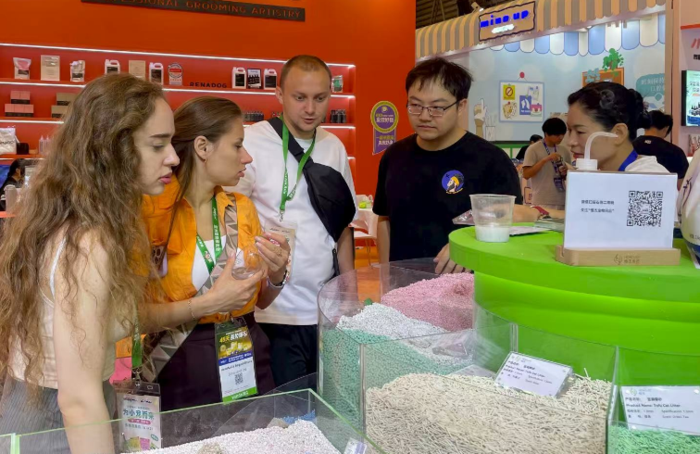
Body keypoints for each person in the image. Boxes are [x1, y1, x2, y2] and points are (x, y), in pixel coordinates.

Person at [0, 74, 185, 453]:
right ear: (114, 149)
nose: (173, 157)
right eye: (157, 144)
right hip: (55, 427)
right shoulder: (88, 242)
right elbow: (78, 400)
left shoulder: (78, 221)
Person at [141, 96, 290, 411]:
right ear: (203, 147)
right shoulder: (150, 212)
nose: (247, 157)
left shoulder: (241, 209)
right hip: (179, 363)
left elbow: (259, 300)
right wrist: (208, 304)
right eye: (237, 145)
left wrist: (277, 274)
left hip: (244, 353)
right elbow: (131, 317)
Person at [235, 55, 357, 387]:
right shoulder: (251, 142)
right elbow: (231, 218)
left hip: (324, 309)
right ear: (279, 94)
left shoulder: (333, 146)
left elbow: (342, 226)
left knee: (326, 401)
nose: (310, 109)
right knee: (284, 407)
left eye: (320, 98)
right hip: (272, 311)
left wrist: (349, 294)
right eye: (300, 97)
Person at [373, 58, 522, 273]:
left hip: (466, 286)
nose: (424, 116)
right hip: (403, 284)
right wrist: (386, 274)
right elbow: (385, 218)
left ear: (461, 106)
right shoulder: (394, 155)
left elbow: (511, 228)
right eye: (415, 105)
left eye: (437, 108)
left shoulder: (491, 161)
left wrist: (468, 245)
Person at [516, 82, 669, 222]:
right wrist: (537, 212)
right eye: (570, 131)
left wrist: (540, 212)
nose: (571, 142)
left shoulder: (649, 179)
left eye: (580, 132)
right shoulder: (600, 176)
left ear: (618, 133)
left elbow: (639, 232)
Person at [522, 118, 572, 210]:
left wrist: (566, 170)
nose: (561, 137)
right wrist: (545, 160)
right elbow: (526, 174)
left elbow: (571, 175)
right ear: (546, 134)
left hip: (563, 200)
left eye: (562, 134)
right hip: (542, 200)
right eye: (557, 135)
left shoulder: (564, 150)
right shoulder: (533, 149)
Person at [634, 110, 689, 189]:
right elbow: (682, 184)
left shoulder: (630, 147)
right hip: (665, 195)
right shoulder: (675, 152)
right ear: (666, 128)